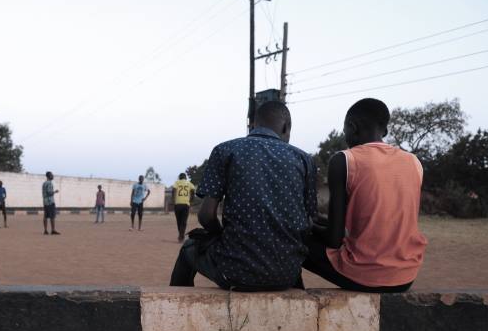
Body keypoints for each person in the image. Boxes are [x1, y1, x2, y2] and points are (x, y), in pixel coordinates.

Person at [169, 101, 316, 291]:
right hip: (287, 273)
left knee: (188, 249)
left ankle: (180, 311)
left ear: (253, 125)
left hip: (235, 272)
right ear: (286, 127)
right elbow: (308, 222)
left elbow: (206, 216)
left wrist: (220, 235)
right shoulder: (304, 159)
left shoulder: (225, 150)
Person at [303, 98, 428, 292]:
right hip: (406, 276)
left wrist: (310, 227)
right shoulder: (414, 162)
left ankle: (293, 295)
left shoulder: (344, 160)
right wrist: (321, 224)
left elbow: (334, 240)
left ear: (352, 127)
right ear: (384, 131)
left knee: (291, 241)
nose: (346, 137)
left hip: (367, 276)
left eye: (345, 131)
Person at [171, 173, 196, 242]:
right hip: (186, 204)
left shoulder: (177, 182)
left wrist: (173, 201)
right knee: (184, 222)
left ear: (179, 177)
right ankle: (181, 236)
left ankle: (181, 236)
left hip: (177, 204)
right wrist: (191, 200)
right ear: (185, 177)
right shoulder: (189, 183)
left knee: (179, 221)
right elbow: (193, 190)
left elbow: (173, 190)